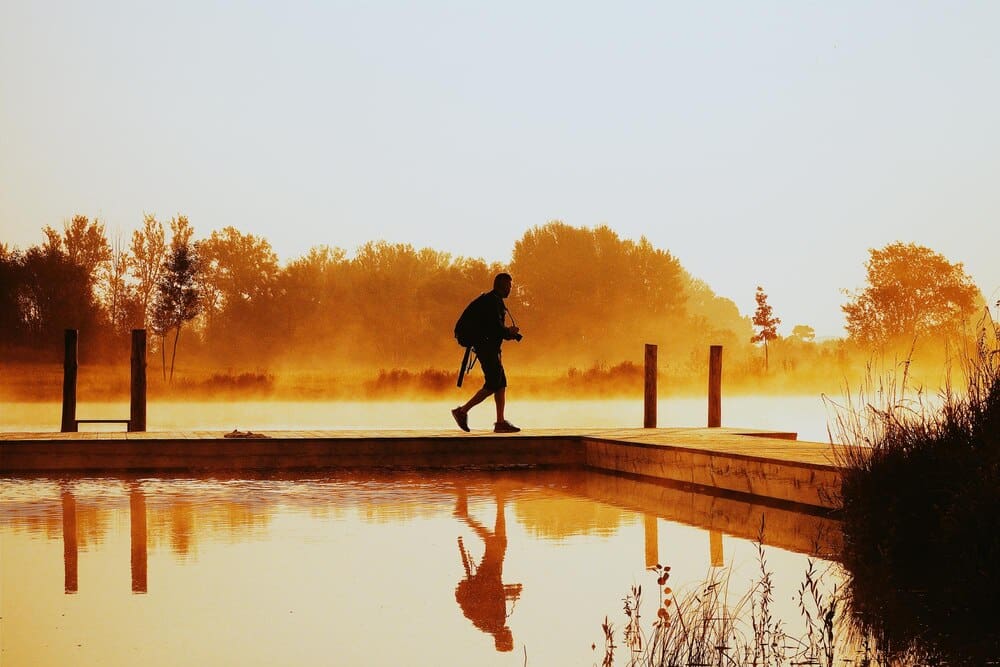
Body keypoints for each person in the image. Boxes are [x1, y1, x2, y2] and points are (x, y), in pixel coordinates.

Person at [452, 273, 521, 433]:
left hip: (489, 347)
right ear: (501, 285)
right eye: (509, 286)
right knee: (493, 383)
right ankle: (461, 411)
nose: (510, 289)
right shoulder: (492, 302)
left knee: (501, 383)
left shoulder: (493, 301)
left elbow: (493, 329)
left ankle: (500, 422)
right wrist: (508, 331)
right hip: (486, 348)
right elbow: (494, 328)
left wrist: (509, 334)